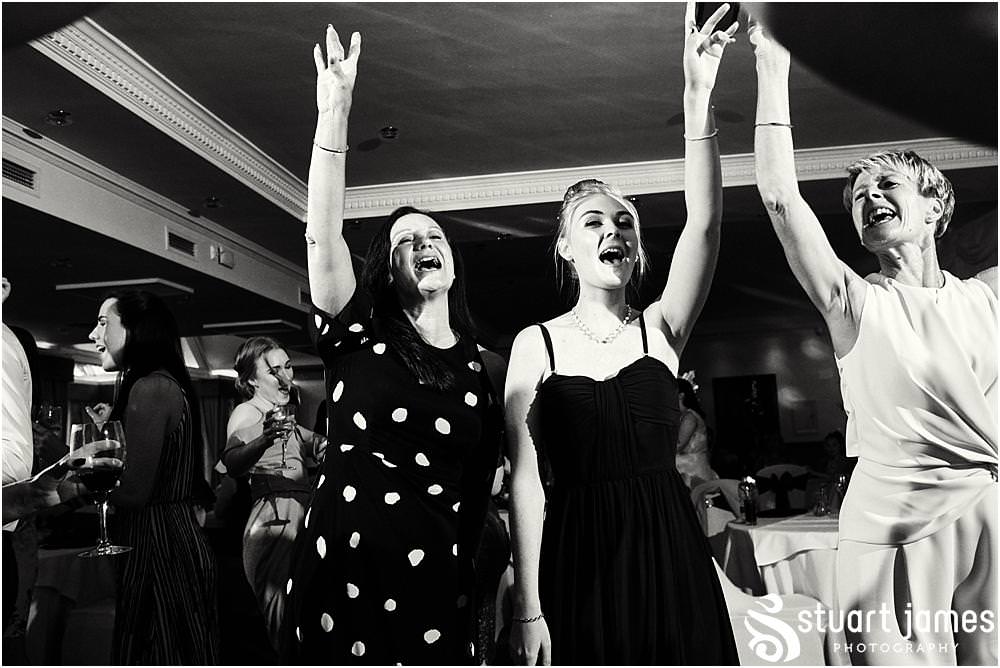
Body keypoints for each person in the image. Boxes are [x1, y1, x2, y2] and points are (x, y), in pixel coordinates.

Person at [749, 20, 997, 665]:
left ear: (937, 205)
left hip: (987, 519)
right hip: (891, 526)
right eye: (859, 194)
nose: (871, 197)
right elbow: (779, 199)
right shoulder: (856, 302)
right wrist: (773, 67)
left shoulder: (988, 295)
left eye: (888, 185)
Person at [504, 4, 739, 663]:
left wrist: (698, 94)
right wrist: (530, 608)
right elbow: (526, 482)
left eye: (625, 223)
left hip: (670, 552)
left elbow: (706, 225)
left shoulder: (661, 330)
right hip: (578, 557)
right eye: (593, 222)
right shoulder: (536, 344)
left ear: (637, 250)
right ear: (566, 249)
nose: (614, 230)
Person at [280, 24, 504, 664]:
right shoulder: (359, 332)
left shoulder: (480, 366)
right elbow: (322, 239)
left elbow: (481, 476)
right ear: (385, 267)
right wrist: (335, 112)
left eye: (435, 235)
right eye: (407, 239)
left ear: (453, 263)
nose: (425, 242)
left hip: (437, 575)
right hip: (344, 565)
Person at [88, 291, 220, 664]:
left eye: (102, 324)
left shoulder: (151, 388)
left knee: (159, 649)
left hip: (160, 544)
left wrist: (76, 480)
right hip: (170, 537)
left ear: (135, 330)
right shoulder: (162, 384)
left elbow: (133, 492)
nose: (92, 336)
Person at [221, 336, 326, 650]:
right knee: (283, 619)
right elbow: (231, 462)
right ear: (252, 379)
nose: (286, 377)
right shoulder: (247, 412)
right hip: (273, 517)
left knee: (305, 614)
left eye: (288, 367)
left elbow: (314, 442)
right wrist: (263, 440)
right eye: (274, 370)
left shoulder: (285, 416)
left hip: (300, 510)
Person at [675, 376, 719, 489]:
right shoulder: (683, 416)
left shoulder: (690, 417)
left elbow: (678, 446)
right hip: (687, 467)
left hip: (692, 471)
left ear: (681, 395)